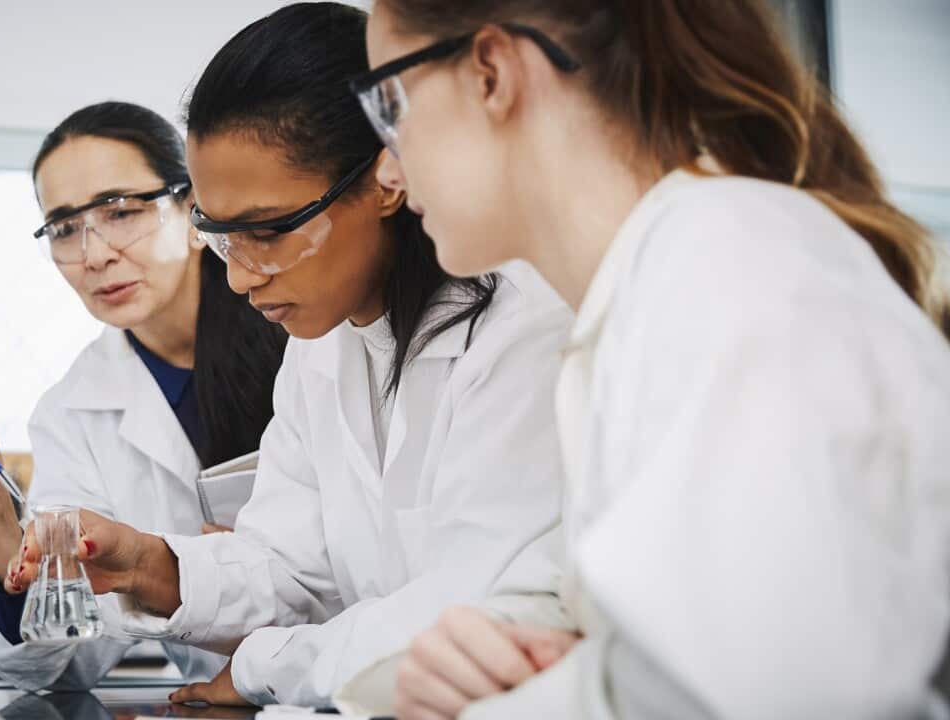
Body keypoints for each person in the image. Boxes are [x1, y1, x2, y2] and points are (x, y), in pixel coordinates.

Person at [344, 0, 950, 717]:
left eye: (392, 102)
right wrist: (534, 669)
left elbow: (793, 698)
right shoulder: (652, 286)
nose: (388, 163)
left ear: (491, 72)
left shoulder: (726, 262)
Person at [4, 2, 572, 708]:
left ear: (386, 175)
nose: (239, 277)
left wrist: (257, 666)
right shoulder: (322, 348)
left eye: (267, 232)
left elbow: (473, 610)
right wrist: (149, 563)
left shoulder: (523, 324)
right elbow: (291, 567)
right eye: (221, 236)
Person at [0, 101, 288, 691]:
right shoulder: (73, 415)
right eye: (64, 228)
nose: (94, 254)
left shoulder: (306, 334)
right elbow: (59, 668)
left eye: (120, 211)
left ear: (193, 212)